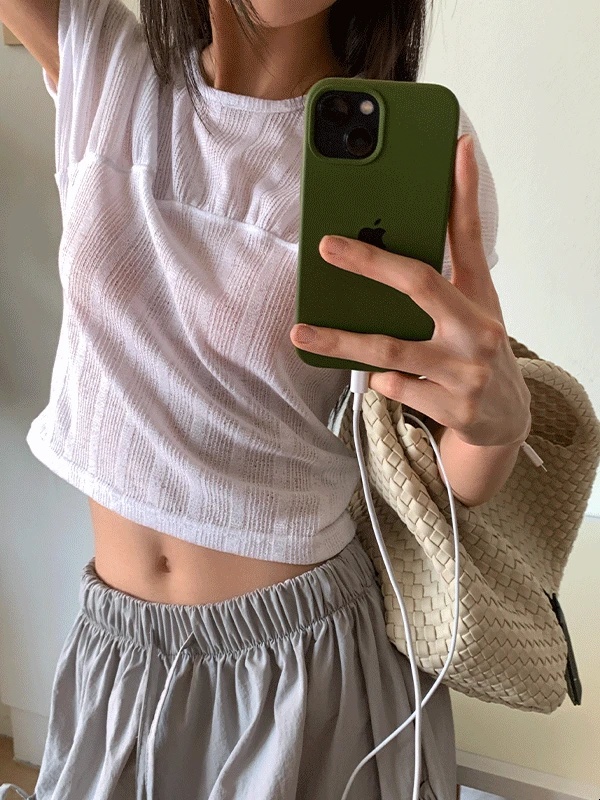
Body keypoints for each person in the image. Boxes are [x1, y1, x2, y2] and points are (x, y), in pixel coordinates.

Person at [0, 0, 532, 797]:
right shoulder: (106, 67)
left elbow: (443, 475)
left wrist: (498, 423)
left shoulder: (420, 161)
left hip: (299, 668)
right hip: (115, 649)